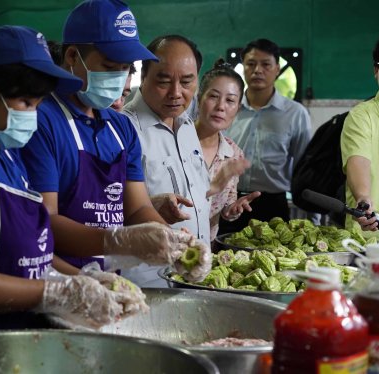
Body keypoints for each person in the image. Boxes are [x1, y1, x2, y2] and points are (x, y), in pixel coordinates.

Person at [0, 25, 141, 336]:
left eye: (39, 103)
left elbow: (32, 255)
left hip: (15, 332)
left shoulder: (4, 151)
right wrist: (56, 293)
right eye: (26, 103)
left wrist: (86, 280)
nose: (34, 114)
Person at [21, 1, 211, 288]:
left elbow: (136, 209)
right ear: (73, 56)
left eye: (125, 68)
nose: (120, 77)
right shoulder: (43, 121)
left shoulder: (120, 127)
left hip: (109, 277)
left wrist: (174, 243)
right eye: (110, 67)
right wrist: (118, 240)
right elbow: (44, 222)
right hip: (56, 279)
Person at [121, 34, 246, 286]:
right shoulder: (125, 129)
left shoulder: (187, 125)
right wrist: (152, 205)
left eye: (187, 82)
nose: (176, 93)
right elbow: (103, 210)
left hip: (190, 275)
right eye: (164, 81)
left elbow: (197, 198)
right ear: (143, 77)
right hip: (147, 279)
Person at [221, 38, 311, 233]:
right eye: (251, 64)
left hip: (273, 205)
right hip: (228, 201)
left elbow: (303, 166)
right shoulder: (227, 108)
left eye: (266, 64)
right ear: (243, 67)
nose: (258, 70)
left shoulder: (295, 113)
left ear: (277, 68)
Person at [195, 60, 261, 239]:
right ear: (199, 98)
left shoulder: (233, 153)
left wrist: (232, 210)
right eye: (213, 96)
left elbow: (226, 207)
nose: (221, 106)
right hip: (162, 246)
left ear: (237, 109)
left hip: (203, 250)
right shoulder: (175, 141)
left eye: (230, 100)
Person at [341, 32, 379, 242]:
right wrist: (364, 199)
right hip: (371, 241)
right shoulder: (362, 116)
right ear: (376, 70)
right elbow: (358, 162)